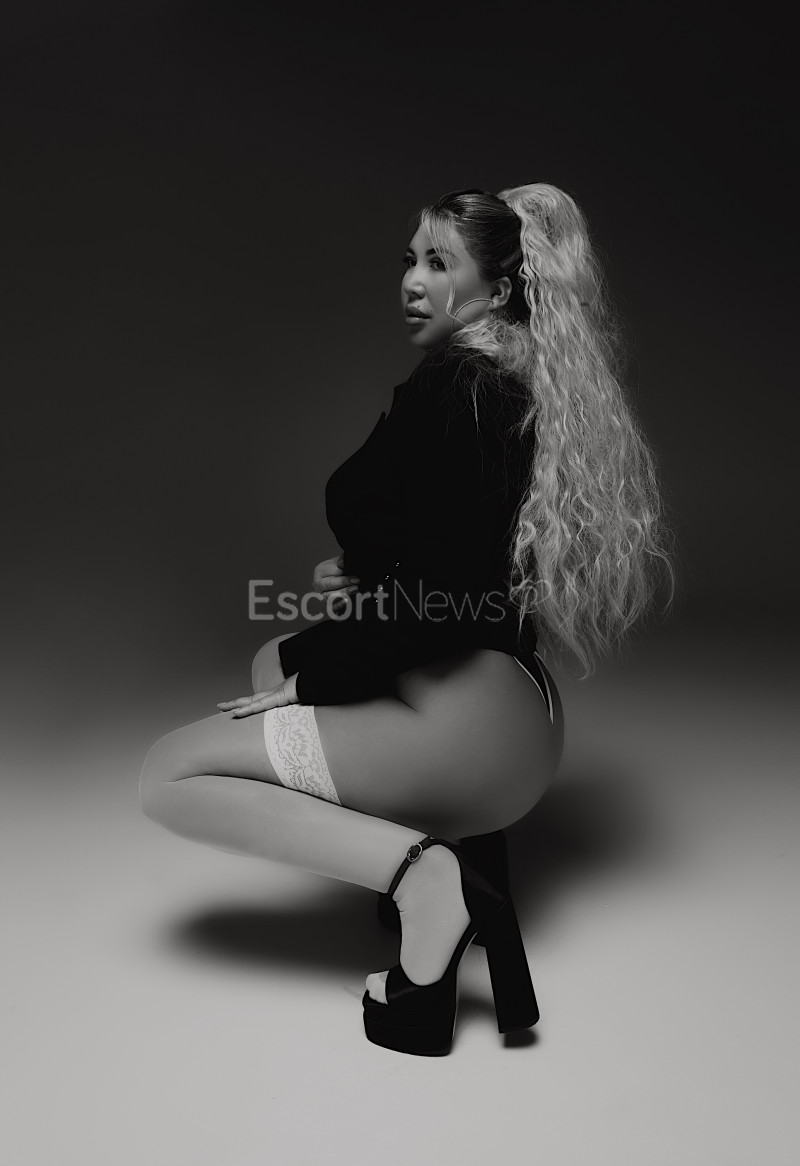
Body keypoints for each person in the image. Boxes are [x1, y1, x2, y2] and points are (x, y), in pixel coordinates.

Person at [139, 183, 674, 1057]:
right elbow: (465, 558)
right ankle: (423, 867)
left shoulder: (456, 386)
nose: (412, 282)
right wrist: (365, 579)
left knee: (167, 776)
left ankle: (427, 885)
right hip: (520, 711)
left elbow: (444, 591)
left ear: (497, 288)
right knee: (275, 658)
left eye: (438, 263)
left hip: (471, 729)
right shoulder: (508, 381)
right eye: (411, 261)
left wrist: (322, 673)